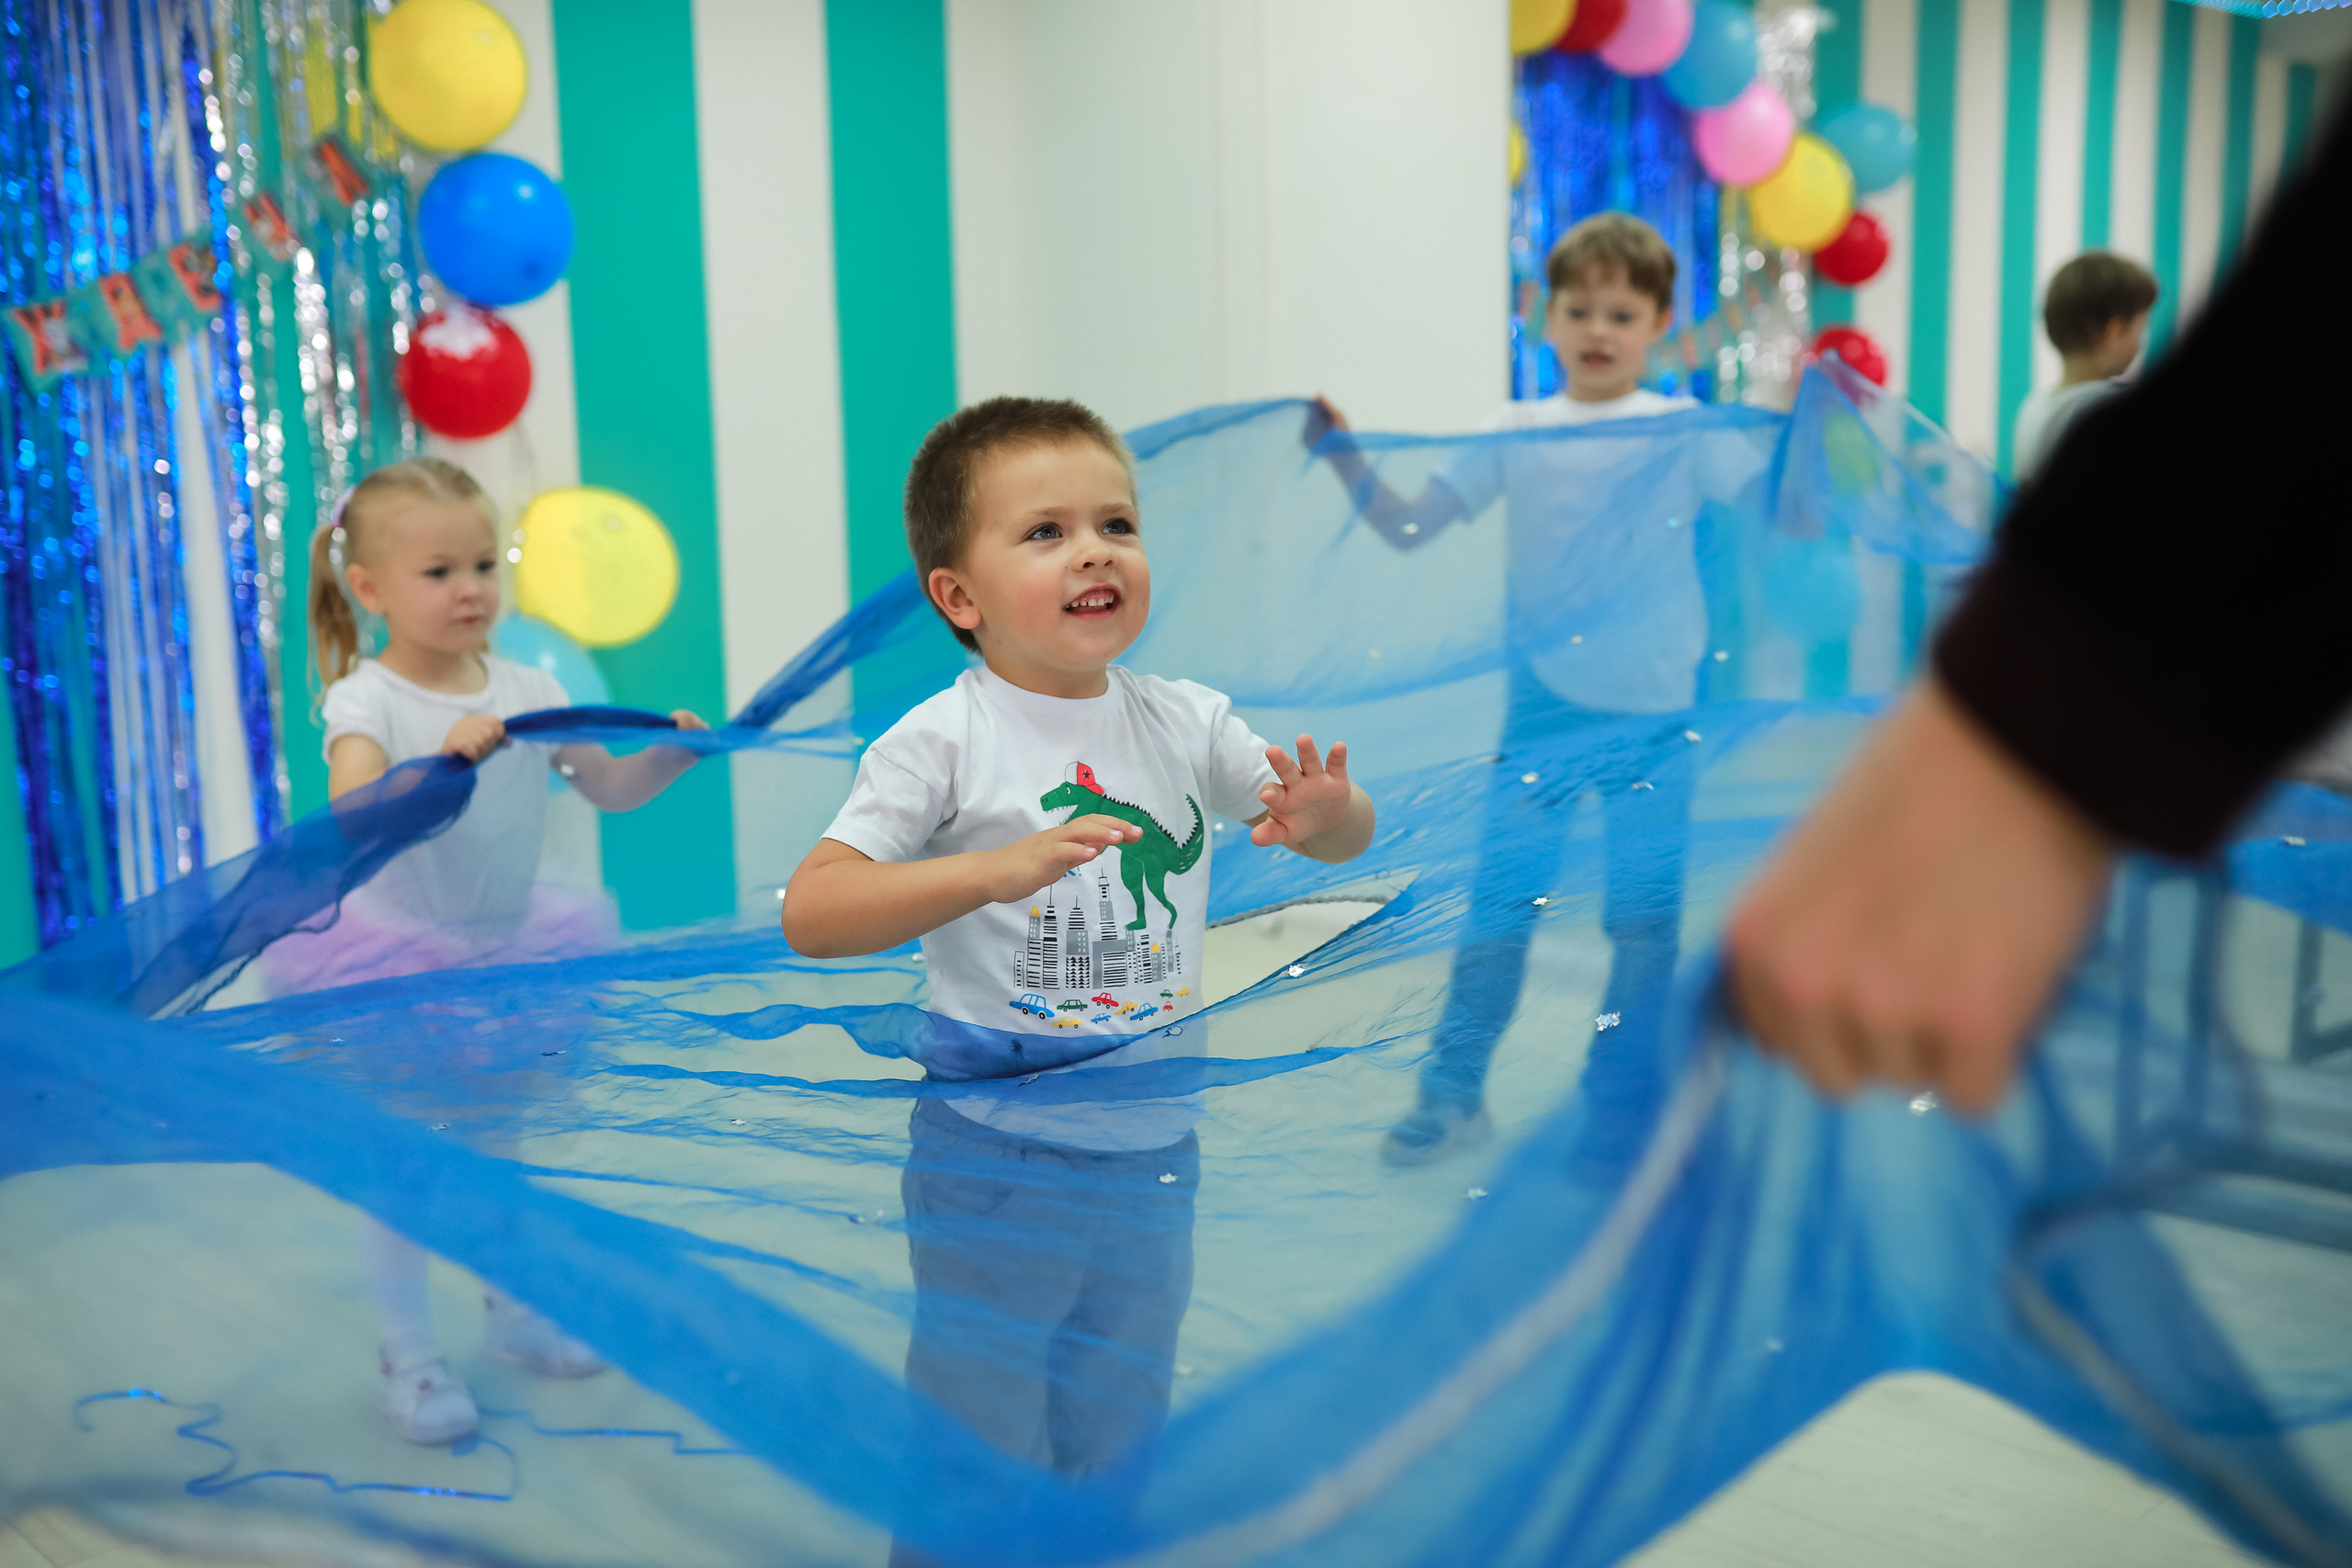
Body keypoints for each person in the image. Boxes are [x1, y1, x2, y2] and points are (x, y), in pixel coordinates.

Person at [781, 397, 1374, 1545]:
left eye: (1116, 524)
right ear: (959, 596)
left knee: (1119, 1414)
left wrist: (1330, 812)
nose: (1094, 549)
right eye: (1044, 533)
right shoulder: (941, 741)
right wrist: (987, 873)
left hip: (1153, 1137)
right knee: (982, 1418)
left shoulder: (1187, 721)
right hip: (995, 1147)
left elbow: (1340, 841)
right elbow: (815, 909)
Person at [1731, 106, 2352, 1112]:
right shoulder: (2099, 412)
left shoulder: (2041, 406)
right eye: (2139, 327)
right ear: (2115, 329)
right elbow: (2201, 500)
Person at [281, 458, 710, 1445]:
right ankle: (410, 1355)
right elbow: (352, 816)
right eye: (439, 572)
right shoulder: (368, 698)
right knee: (402, 1169)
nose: (470, 587)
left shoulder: (530, 686)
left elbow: (606, 787)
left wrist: (669, 757)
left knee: (497, 1155)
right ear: (372, 589)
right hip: (395, 969)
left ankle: (513, 1311)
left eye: (483, 563)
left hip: (511, 959)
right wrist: (442, 765)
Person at [1307, 212, 1747, 1167]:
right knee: (1500, 910)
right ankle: (1451, 1095)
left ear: (1659, 325)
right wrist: (1347, 461)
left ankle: (1620, 1107)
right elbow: (1412, 527)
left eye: (1621, 313)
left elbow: (1777, 503)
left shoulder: (1683, 430)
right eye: (1577, 308)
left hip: (1655, 712)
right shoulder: (1514, 430)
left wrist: (1825, 440)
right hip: (1543, 710)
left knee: (1641, 924)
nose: (1597, 329)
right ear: (1545, 319)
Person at [2011, 251, 2157, 479]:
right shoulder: (2108, 406)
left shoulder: (2031, 409)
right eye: (2142, 326)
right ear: (2115, 333)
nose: (2142, 339)